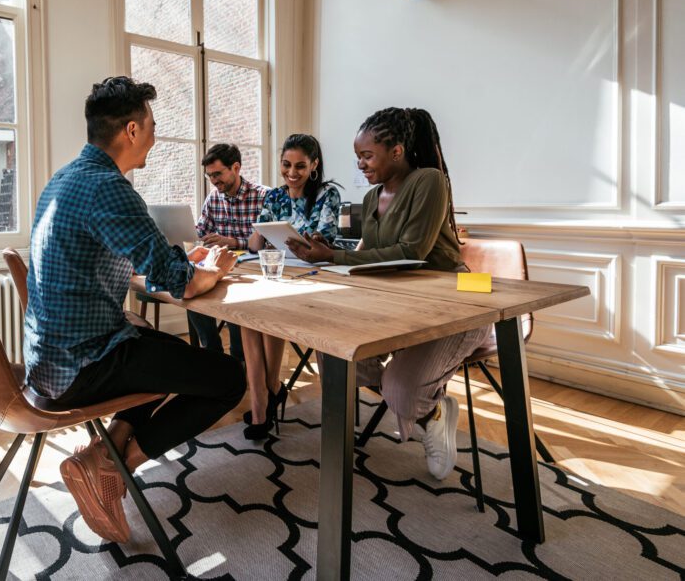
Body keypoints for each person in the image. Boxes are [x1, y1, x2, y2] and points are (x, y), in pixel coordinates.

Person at [24, 76, 247, 543]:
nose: (154, 135)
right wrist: (213, 272)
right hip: (81, 365)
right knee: (228, 379)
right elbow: (180, 283)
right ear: (130, 130)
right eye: (151, 125)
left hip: (52, 358)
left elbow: (146, 259)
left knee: (152, 339)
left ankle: (102, 454)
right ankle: (118, 467)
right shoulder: (109, 188)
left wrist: (180, 267)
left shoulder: (65, 179)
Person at [286, 107, 491, 480]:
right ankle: (423, 404)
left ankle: (423, 405)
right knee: (333, 348)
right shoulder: (372, 198)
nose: (361, 165)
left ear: (396, 151)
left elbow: (412, 252)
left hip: (454, 308)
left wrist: (335, 254)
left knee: (399, 389)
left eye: (367, 155)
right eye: (358, 157)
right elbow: (366, 254)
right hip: (397, 308)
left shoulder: (429, 181)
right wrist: (322, 248)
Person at [241, 134, 341, 439]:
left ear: (314, 165)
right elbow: (254, 244)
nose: (292, 172)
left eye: (300, 166)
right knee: (246, 311)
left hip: (318, 278)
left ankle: (265, 397)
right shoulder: (274, 196)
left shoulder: (327, 195)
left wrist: (294, 235)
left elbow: (324, 241)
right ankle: (264, 395)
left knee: (262, 311)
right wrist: (259, 234)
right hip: (281, 271)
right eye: (286, 165)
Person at [188, 143, 268, 362]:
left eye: (217, 174)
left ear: (235, 167)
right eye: (209, 176)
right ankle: (213, 356)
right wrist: (198, 239)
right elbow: (200, 232)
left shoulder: (263, 196)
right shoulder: (213, 199)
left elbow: (271, 245)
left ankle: (239, 360)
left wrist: (233, 241)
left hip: (253, 273)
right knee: (192, 292)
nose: (214, 181)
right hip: (222, 270)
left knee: (234, 300)